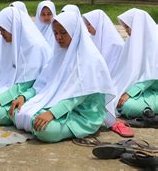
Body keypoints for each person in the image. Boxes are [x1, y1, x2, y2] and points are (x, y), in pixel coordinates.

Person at [13, 11, 116, 143]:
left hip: (84, 114)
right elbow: (43, 84)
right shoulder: (59, 54)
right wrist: (23, 96)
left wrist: (52, 113)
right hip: (58, 104)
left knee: (45, 129)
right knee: (19, 112)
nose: (58, 37)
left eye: (63, 32)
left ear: (74, 31)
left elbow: (78, 96)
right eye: (55, 33)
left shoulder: (90, 58)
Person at [0, 7, 51, 125]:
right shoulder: (10, 44)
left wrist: (0, 99)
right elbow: (4, 76)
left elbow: (28, 83)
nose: (1, 34)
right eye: (0, 29)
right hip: (11, 89)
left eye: (3, 29)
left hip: (29, 93)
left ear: (14, 28)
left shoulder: (35, 47)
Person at [111, 8, 158, 119]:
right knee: (115, 99)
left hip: (153, 88)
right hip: (145, 90)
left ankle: (148, 111)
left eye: (128, 27)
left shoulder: (155, 43)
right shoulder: (133, 41)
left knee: (128, 106)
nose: (126, 31)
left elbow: (151, 76)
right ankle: (147, 111)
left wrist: (130, 93)